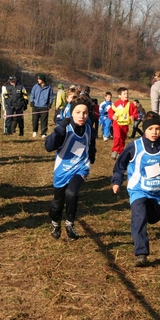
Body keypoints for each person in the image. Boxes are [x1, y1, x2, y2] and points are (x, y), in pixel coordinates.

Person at [112, 111, 160, 267]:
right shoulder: (135, 146)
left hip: (156, 191)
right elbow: (120, 164)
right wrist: (117, 181)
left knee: (152, 217)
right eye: (150, 129)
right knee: (139, 216)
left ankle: (151, 215)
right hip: (137, 189)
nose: (154, 132)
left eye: (157, 129)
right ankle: (141, 253)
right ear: (144, 129)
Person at [45, 96, 97, 240]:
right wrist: (59, 129)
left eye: (85, 113)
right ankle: (55, 222)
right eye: (78, 112)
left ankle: (70, 223)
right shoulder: (65, 128)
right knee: (58, 202)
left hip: (81, 166)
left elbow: (91, 144)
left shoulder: (89, 128)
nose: (82, 116)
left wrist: (92, 157)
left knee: (72, 193)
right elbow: (48, 147)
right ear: (71, 113)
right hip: (62, 169)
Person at [108, 87, 138, 160]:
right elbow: (110, 112)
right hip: (117, 123)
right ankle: (115, 150)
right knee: (117, 136)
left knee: (122, 138)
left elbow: (135, 113)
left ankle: (120, 152)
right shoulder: (116, 104)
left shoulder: (130, 104)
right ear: (119, 96)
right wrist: (112, 116)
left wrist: (133, 117)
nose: (126, 95)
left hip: (125, 125)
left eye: (127, 93)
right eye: (124, 94)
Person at [30, 74, 54, 138]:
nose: (38, 80)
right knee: (35, 120)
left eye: (39, 79)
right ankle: (35, 131)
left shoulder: (48, 88)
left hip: (44, 107)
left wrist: (49, 104)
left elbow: (51, 97)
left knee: (44, 121)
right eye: (38, 79)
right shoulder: (35, 86)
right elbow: (32, 95)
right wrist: (32, 101)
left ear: (43, 80)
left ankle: (43, 133)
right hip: (36, 106)